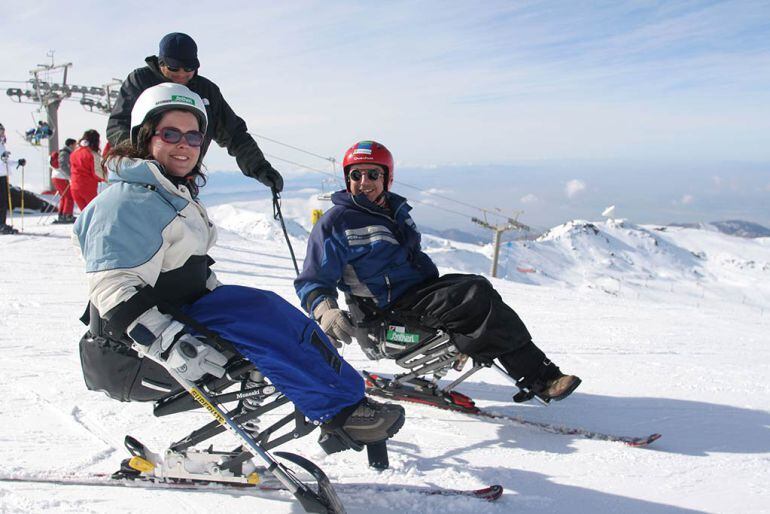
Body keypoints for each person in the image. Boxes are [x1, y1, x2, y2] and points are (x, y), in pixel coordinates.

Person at [73, 84, 404, 446]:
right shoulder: (125, 203)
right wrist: (174, 345)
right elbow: (113, 289)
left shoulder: (167, 193)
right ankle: (342, 410)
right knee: (269, 328)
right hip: (131, 353)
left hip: (183, 314)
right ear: (144, 136)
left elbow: (187, 269)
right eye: (171, 133)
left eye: (194, 136)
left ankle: (347, 404)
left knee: (272, 313)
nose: (184, 144)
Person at [295, 141, 582, 404]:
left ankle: (520, 364)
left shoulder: (394, 212)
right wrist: (326, 311)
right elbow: (313, 280)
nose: (363, 182)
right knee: (472, 296)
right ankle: (541, 378)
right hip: (384, 310)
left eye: (372, 174)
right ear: (347, 179)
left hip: (417, 294)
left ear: (386, 178)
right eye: (356, 175)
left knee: (477, 287)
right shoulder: (336, 223)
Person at [106, 32, 283, 193]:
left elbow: (234, 134)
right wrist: (142, 162)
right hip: (141, 183)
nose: (182, 75)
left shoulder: (206, 91)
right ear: (161, 63)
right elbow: (117, 128)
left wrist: (260, 168)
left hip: (185, 183)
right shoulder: (140, 81)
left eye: (188, 69)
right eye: (174, 69)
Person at [69, 130, 104, 211]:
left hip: (74, 187)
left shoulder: (75, 152)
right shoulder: (93, 154)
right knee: (93, 213)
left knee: (84, 214)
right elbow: (98, 173)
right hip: (87, 188)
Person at [51, 138, 76, 223]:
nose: (75, 147)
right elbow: (63, 165)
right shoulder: (65, 153)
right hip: (61, 177)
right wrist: (71, 175)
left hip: (57, 176)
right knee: (69, 196)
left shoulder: (64, 152)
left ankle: (62, 215)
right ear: (71, 145)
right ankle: (67, 215)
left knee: (64, 196)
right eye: (75, 145)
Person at [1, 150, 26, 235]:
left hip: (3, 175)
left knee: (3, 201)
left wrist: (17, 162)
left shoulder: (2, 144)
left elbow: (6, 162)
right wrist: (2, 159)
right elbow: (2, 160)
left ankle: (2, 223)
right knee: (1, 201)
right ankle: (1, 225)